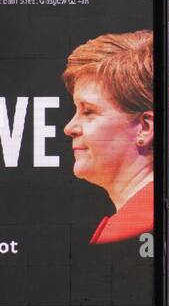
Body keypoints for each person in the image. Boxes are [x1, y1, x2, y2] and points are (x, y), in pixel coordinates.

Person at [61, 30, 154, 244]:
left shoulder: (132, 229)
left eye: (88, 112)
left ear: (145, 128)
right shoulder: (153, 213)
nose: (69, 127)